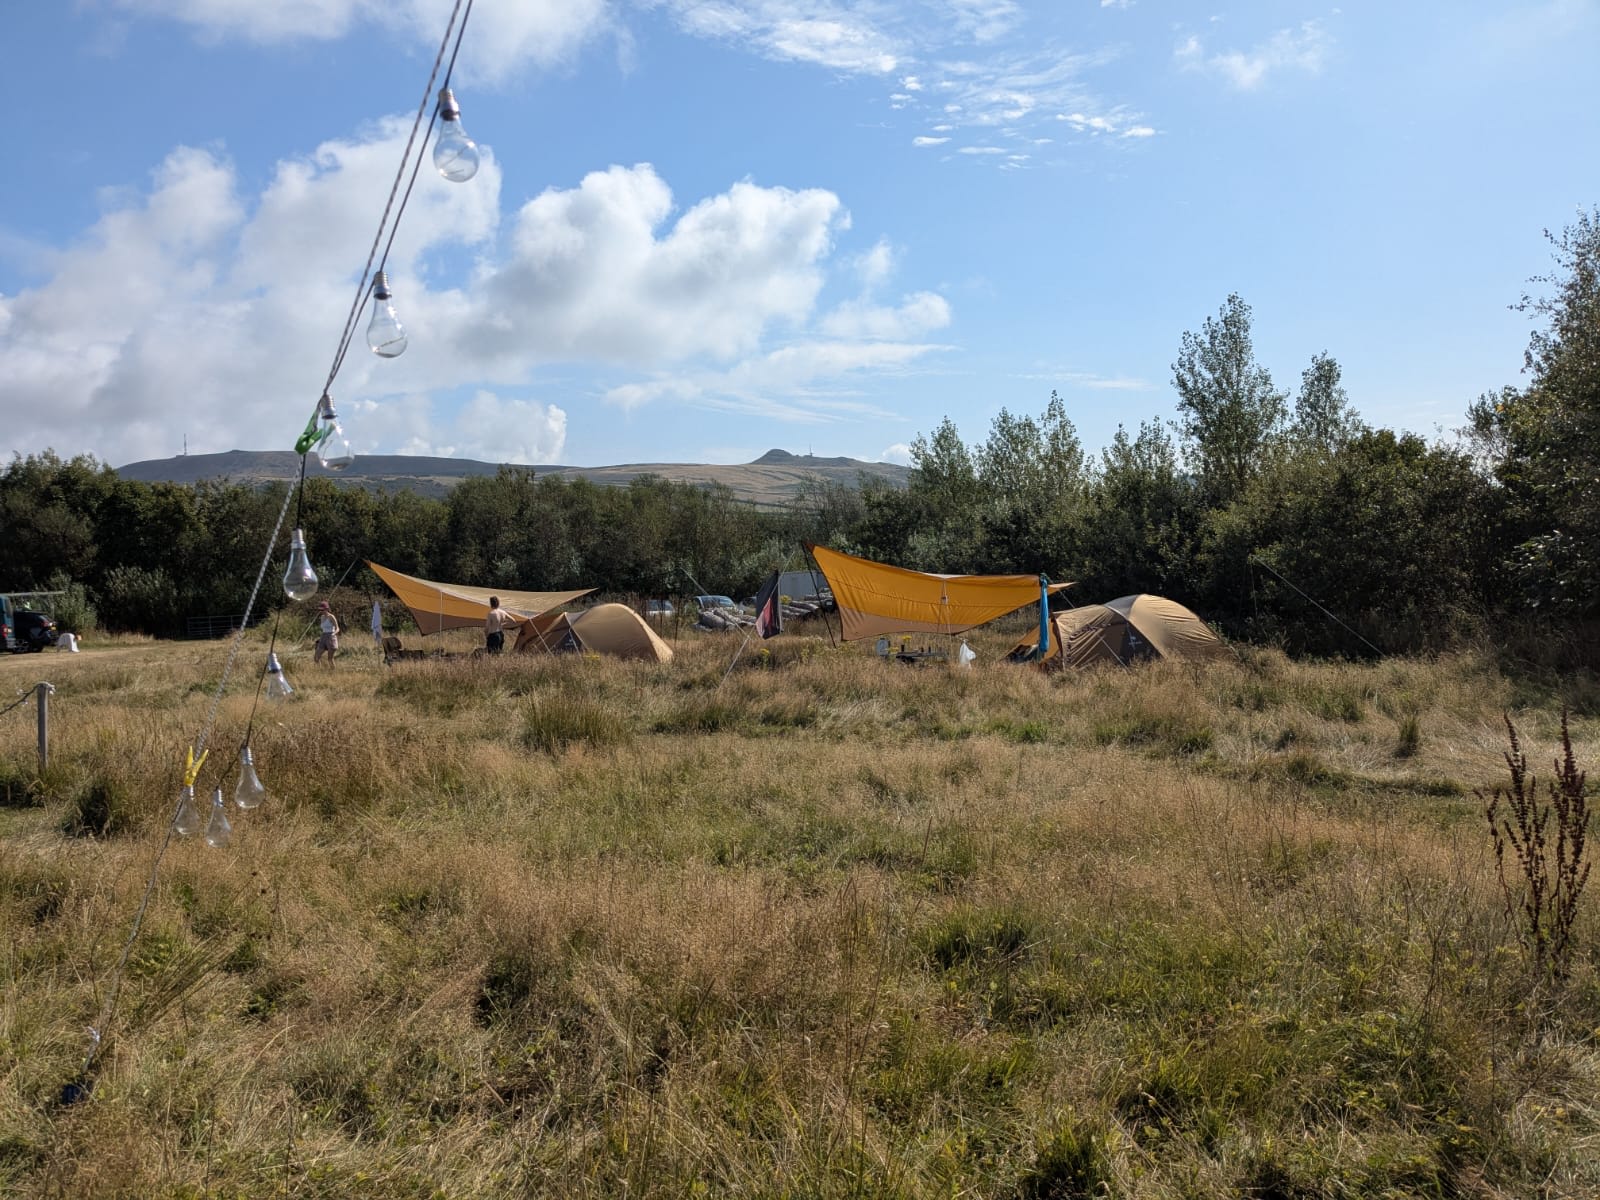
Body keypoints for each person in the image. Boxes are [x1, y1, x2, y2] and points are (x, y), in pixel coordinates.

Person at [314, 600, 340, 666]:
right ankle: (319, 672)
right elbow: (323, 628)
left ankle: (333, 673)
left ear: (327, 609)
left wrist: (333, 634)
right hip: (323, 636)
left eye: (322, 609)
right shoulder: (322, 617)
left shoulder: (331, 617)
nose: (321, 611)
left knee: (330, 659)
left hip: (331, 636)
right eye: (320, 610)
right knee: (316, 657)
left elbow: (337, 628)